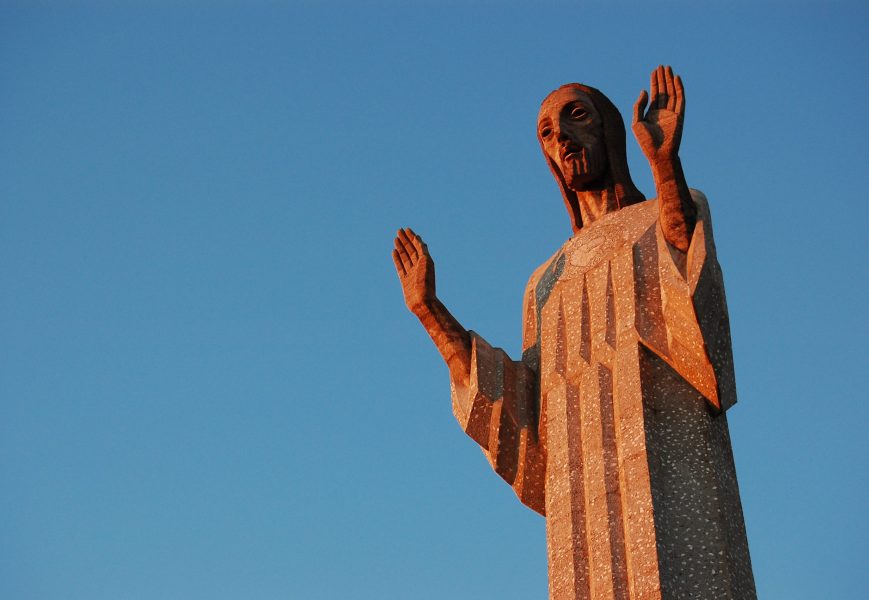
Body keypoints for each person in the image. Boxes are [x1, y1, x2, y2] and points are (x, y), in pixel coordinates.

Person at [392, 66, 755, 599]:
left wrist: (665, 166)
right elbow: (526, 406)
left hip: (670, 456)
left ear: (608, 130)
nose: (560, 135)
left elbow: (688, 278)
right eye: (545, 132)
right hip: (582, 493)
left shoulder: (670, 209)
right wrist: (431, 314)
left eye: (574, 116)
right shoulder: (545, 281)